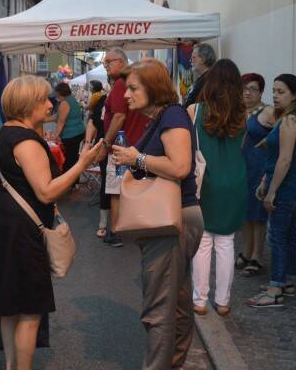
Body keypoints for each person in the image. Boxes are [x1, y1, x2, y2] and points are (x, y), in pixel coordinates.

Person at [0, 75, 102, 370]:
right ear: (27, 104)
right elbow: (46, 192)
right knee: (29, 313)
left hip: (1, 228)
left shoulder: (6, 133)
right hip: (21, 235)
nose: (50, 104)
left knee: (9, 310)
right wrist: (82, 164)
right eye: (43, 99)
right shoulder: (26, 141)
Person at [111, 59, 203, 369]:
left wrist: (136, 158)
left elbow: (179, 167)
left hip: (172, 220)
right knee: (175, 303)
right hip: (172, 219)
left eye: (134, 88)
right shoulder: (162, 117)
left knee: (159, 308)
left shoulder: (173, 115)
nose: (126, 95)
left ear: (154, 88)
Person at [187, 59, 248, 317]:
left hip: (206, 180)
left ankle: (199, 301)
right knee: (226, 242)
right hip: (235, 181)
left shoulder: (195, 111)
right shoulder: (243, 114)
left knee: (203, 243)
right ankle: (223, 302)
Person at [248, 74, 296, 308]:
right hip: (290, 182)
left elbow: (284, 160)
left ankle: (275, 289)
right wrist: (266, 179)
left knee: (276, 235)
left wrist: (271, 191)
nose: (275, 95)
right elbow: (277, 154)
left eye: (281, 91)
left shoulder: (290, 121)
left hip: (287, 184)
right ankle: (287, 281)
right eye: (274, 91)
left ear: (294, 95)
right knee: (288, 233)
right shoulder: (291, 118)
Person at [98, 48, 150, 248]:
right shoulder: (135, 81)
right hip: (136, 146)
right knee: (135, 188)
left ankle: (116, 231)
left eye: (108, 61)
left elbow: (119, 116)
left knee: (116, 191)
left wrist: (106, 144)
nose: (106, 65)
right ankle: (136, 228)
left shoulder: (121, 84)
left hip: (121, 148)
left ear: (121, 61)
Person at [237, 73, 275, 277]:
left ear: (260, 91)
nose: (247, 92)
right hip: (242, 169)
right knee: (245, 213)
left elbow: (280, 139)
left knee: (259, 216)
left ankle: (257, 257)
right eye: (244, 88)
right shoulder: (238, 111)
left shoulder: (269, 112)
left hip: (260, 169)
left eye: (252, 88)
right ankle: (245, 251)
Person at [84, 80, 108, 237]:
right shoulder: (102, 99)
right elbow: (92, 121)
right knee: (107, 183)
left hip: (124, 147)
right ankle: (103, 223)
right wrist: (87, 144)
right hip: (102, 148)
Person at [53, 82, 85, 176]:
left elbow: (61, 121)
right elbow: (58, 116)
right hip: (78, 132)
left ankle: (70, 182)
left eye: (56, 92)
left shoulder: (65, 103)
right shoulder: (71, 99)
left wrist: (55, 136)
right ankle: (74, 182)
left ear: (59, 92)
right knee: (73, 157)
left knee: (69, 160)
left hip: (71, 134)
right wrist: (44, 119)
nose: (55, 94)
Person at [183, 43, 216, 108]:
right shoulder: (204, 78)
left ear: (203, 60)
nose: (191, 60)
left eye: (194, 57)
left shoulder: (209, 80)